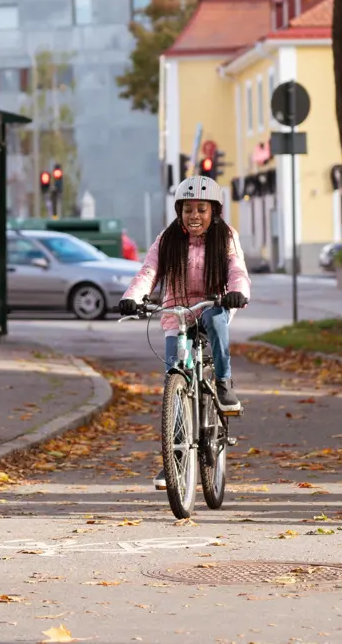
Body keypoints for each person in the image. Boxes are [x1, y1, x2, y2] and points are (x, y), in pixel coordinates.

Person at [118, 174, 249, 490]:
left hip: (212, 303)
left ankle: (223, 383)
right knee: (174, 384)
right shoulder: (167, 239)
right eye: (188, 209)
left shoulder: (225, 236)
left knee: (217, 322)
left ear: (213, 211)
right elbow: (149, 271)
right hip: (176, 312)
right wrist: (132, 298)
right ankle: (174, 461)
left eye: (201, 209)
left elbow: (236, 269)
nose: (195, 216)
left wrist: (237, 292)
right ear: (179, 211)